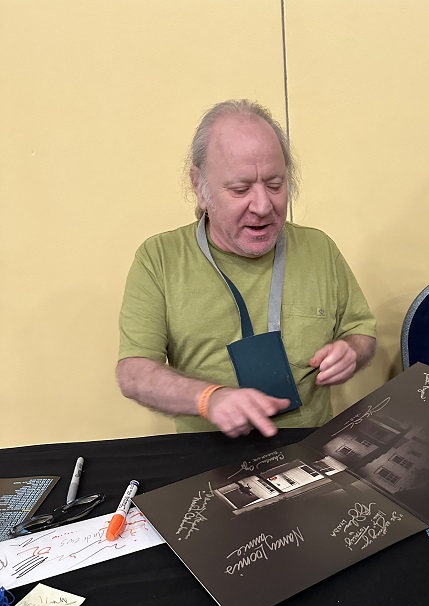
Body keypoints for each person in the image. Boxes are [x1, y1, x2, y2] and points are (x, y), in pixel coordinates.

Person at [117, 99, 376, 439]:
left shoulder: (319, 249)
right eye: (240, 189)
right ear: (199, 186)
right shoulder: (159, 258)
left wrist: (351, 352)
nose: (263, 206)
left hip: (311, 450)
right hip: (207, 456)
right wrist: (210, 399)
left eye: (274, 184)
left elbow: (362, 334)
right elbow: (134, 373)